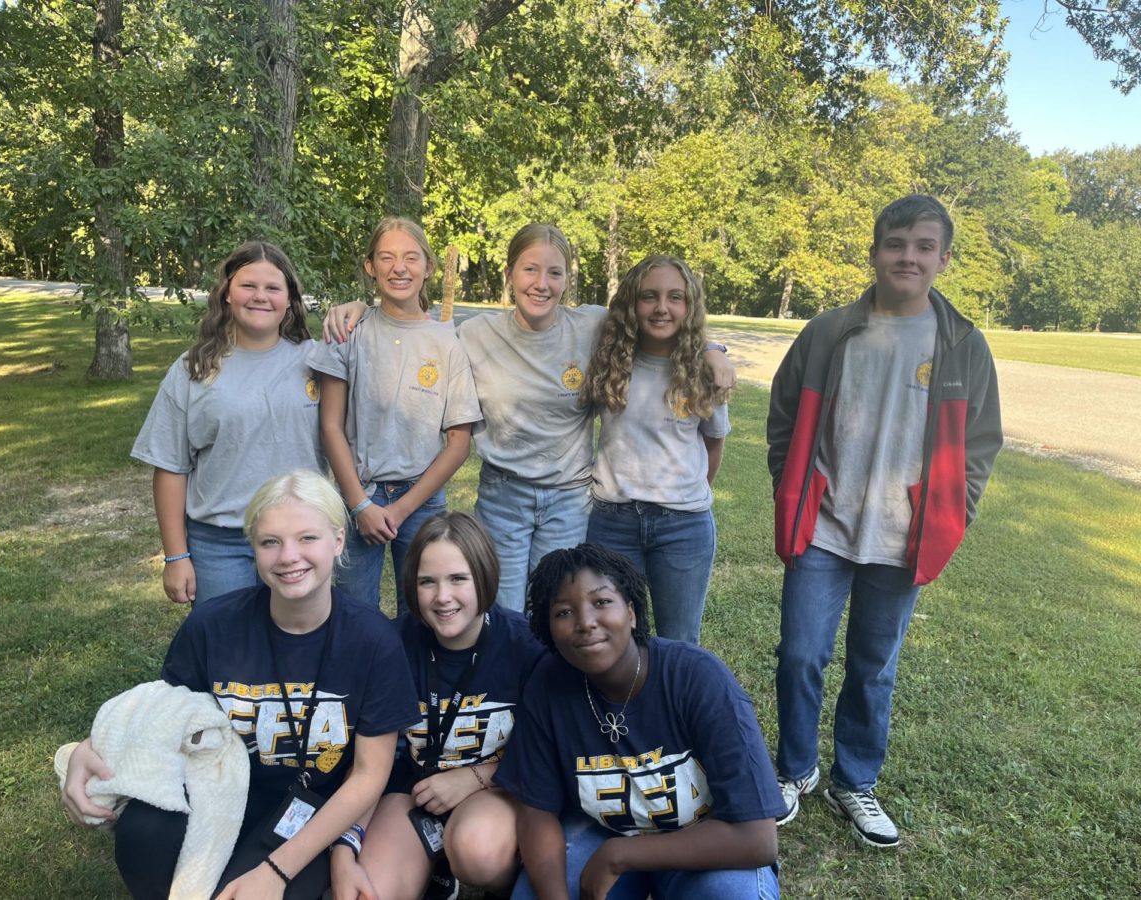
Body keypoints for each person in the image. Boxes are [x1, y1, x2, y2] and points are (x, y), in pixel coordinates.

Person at [323, 223, 736, 613]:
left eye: (554, 272)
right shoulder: (472, 334)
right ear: (509, 273)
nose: (541, 283)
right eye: (530, 269)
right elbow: (414, 327)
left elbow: (658, 318)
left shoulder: (593, 326)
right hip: (504, 496)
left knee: (556, 607)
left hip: (569, 499)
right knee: (501, 613)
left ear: (567, 280)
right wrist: (360, 308)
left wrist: (712, 348)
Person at [766, 194, 1003, 847]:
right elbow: (783, 417)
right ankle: (794, 771)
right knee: (800, 654)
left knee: (874, 666)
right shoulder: (828, 332)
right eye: (896, 245)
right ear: (874, 253)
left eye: (924, 246)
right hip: (824, 528)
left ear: (943, 258)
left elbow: (981, 442)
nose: (909, 257)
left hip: (905, 538)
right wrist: (790, 489)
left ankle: (855, 782)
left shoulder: (962, 345)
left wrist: (956, 510)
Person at [60, 470, 419, 899]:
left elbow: (367, 776)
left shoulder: (374, 641)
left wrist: (275, 871)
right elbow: (163, 715)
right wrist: (89, 747)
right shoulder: (213, 626)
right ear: (253, 548)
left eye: (307, 538)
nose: (289, 556)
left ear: (338, 541)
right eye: (271, 541)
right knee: (144, 835)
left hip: (314, 807)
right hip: (221, 787)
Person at [496, 544, 783, 900]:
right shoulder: (548, 686)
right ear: (548, 629)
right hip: (600, 832)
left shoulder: (697, 678)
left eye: (602, 602)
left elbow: (756, 838)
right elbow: (536, 813)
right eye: (564, 612)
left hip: (704, 839)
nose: (585, 622)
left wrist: (620, 856)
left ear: (631, 612)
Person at [332, 512, 546, 900]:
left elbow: (548, 754)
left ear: (484, 576)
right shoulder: (390, 645)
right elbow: (368, 760)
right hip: (411, 792)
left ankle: (499, 881)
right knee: (371, 894)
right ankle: (434, 868)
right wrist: (347, 843)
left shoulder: (526, 648)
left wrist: (476, 778)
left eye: (458, 579)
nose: (442, 597)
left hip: (497, 790)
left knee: (478, 851)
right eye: (427, 582)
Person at [131, 241, 326, 606]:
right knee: (228, 656)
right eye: (248, 286)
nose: (260, 297)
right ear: (226, 295)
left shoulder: (318, 361)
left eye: (273, 288)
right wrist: (176, 556)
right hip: (220, 544)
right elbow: (171, 466)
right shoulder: (193, 369)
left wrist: (358, 306)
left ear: (289, 300)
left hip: (301, 539)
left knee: (302, 652)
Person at [310, 218, 482, 614]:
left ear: (428, 267)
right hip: (357, 495)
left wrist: (401, 509)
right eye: (386, 258)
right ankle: (359, 679)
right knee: (351, 613)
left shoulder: (447, 343)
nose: (398, 268)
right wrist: (359, 505)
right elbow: (330, 426)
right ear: (371, 267)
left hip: (421, 501)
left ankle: (416, 679)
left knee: (425, 614)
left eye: (410, 258)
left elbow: (458, 444)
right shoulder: (349, 331)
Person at [582, 255, 730, 645]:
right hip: (611, 521)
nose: (662, 308)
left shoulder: (705, 372)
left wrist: (713, 349)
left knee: (679, 641)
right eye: (649, 296)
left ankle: (673, 708)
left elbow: (714, 443)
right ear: (632, 303)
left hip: (682, 527)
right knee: (613, 636)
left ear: (690, 306)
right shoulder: (611, 358)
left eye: (674, 297)